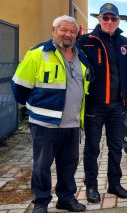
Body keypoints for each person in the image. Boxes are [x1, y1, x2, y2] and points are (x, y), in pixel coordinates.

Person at [11, 15, 91, 213]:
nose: (68, 34)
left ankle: (65, 198)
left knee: (69, 165)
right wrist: (35, 108)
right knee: (42, 166)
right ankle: (41, 202)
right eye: (64, 30)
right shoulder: (38, 54)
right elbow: (19, 87)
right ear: (53, 31)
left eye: (73, 31)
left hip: (72, 123)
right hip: (45, 124)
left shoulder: (80, 56)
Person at [77, 3, 127, 202]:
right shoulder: (86, 41)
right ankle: (91, 186)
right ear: (99, 19)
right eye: (105, 18)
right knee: (92, 148)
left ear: (118, 21)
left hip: (117, 105)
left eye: (113, 18)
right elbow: (63, 48)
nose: (109, 22)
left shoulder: (124, 42)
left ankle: (114, 184)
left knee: (116, 147)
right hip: (94, 105)